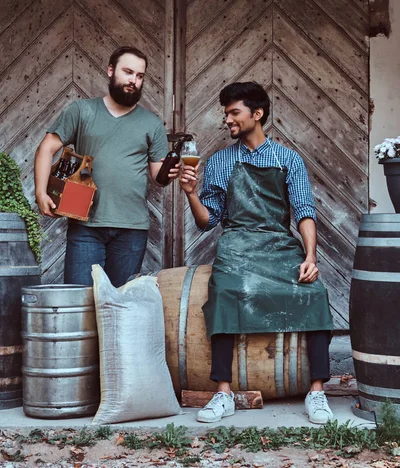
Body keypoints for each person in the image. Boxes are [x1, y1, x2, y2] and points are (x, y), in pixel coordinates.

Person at [180, 82, 335, 425]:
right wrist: (191, 193)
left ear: (257, 114)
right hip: (236, 245)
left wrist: (310, 257)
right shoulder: (220, 161)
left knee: (314, 293)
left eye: (234, 113)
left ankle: (317, 392)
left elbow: (304, 212)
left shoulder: (287, 159)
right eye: (226, 114)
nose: (228, 120)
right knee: (223, 293)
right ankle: (223, 393)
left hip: (279, 244)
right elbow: (209, 222)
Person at [34, 46, 179, 287]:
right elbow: (46, 148)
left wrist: (168, 174)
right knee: (80, 298)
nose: (134, 81)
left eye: (140, 76)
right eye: (128, 72)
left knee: (119, 304)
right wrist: (40, 192)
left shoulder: (152, 123)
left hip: (131, 228)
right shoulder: (81, 111)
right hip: (85, 225)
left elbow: (158, 176)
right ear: (111, 71)